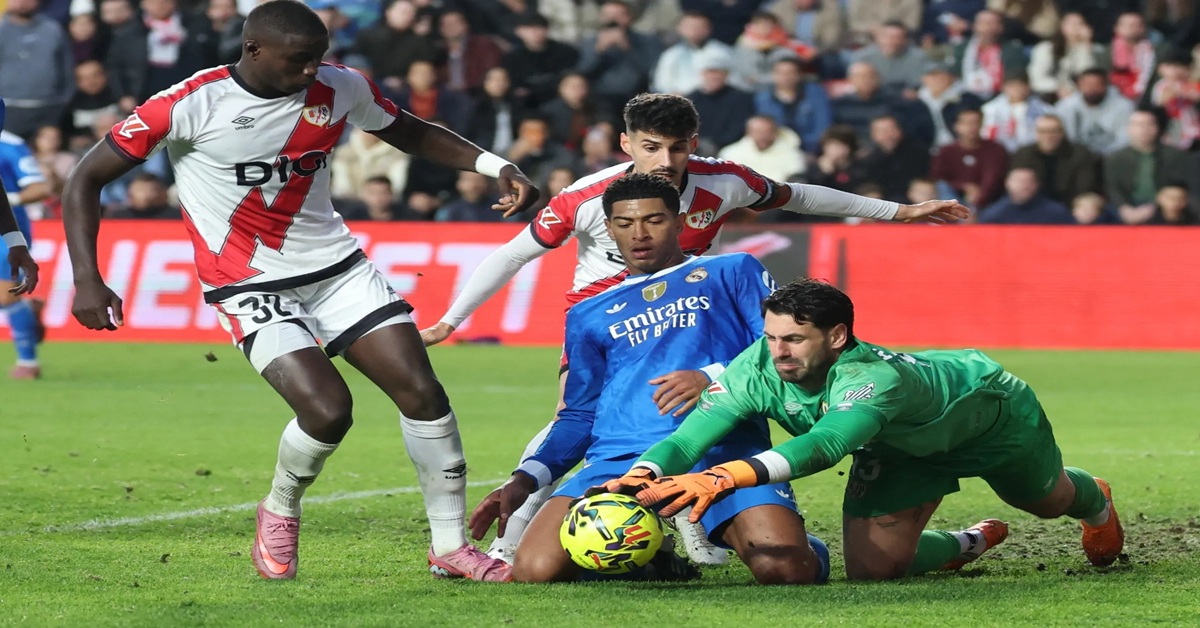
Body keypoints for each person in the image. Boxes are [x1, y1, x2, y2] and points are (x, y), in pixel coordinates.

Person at [59, 0, 539, 583]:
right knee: (329, 410)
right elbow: (86, 177)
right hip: (246, 281)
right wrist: (87, 276)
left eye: (319, 58)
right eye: (300, 60)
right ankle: (281, 506)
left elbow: (409, 131)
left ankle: (449, 546)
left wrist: (495, 166)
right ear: (253, 50)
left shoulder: (341, 87)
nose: (314, 70)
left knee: (422, 392)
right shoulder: (188, 104)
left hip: (336, 268)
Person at [420, 92, 970, 565]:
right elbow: (513, 254)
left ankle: (695, 523)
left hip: (687, 320)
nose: (665, 160)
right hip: (607, 324)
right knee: (583, 419)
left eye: (677, 147)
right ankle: (512, 544)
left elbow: (798, 196)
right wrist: (451, 319)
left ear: (693, 143)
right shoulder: (587, 197)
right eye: (651, 146)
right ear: (626, 144)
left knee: (698, 409)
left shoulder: (724, 182)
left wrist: (896, 212)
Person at [604, 279, 1126, 579]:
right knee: (873, 569)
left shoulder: (871, 377)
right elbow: (688, 436)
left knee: (1046, 501)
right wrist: (642, 473)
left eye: (794, 339)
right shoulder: (756, 366)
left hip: (989, 420)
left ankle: (1094, 501)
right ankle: (967, 542)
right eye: (772, 337)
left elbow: (826, 444)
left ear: (836, 336)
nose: (778, 351)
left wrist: (721, 479)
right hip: (896, 448)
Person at [469, 173, 830, 585]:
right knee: (535, 570)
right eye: (624, 224)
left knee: (784, 569)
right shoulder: (587, 313)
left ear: (680, 223)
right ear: (608, 229)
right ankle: (655, 557)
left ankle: (797, 540)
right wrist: (525, 478)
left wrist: (713, 377)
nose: (638, 234)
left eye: (654, 221)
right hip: (620, 459)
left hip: (720, 449)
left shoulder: (733, 270)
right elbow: (580, 413)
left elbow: (779, 349)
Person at [0, 101, 50, 379]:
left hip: (6, 229)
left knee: (4, 295)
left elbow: (40, 187)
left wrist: (8, 199)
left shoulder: (10, 146)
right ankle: (28, 310)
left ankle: (28, 363)